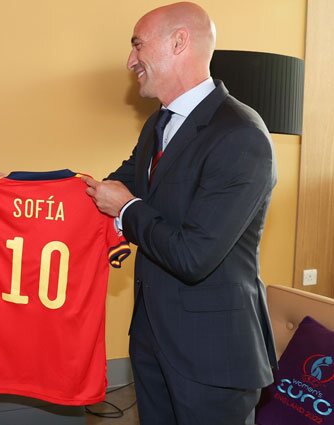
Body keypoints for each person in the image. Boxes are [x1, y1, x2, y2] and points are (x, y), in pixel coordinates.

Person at [83, 3, 277, 424]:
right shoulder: (158, 124)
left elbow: (193, 255)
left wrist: (128, 208)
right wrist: (14, 189)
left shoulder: (242, 136)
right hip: (153, 341)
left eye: (137, 44)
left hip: (213, 356)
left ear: (179, 42)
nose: (129, 60)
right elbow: (114, 186)